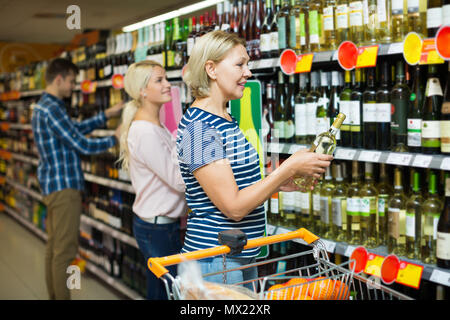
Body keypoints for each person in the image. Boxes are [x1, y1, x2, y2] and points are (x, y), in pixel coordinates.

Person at [177, 31, 333, 287]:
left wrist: (280, 181)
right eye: (240, 64)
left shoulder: (224, 118)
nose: (248, 73)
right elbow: (233, 207)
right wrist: (288, 167)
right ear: (211, 69)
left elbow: (234, 180)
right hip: (216, 259)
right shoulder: (200, 129)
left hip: (237, 255)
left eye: (247, 64)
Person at [31, 58, 124, 300]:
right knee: (65, 252)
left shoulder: (46, 106)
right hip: (64, 189)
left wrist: (105, 115)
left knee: (54, 249)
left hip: (53, 184)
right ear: (59, 79)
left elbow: (73, 130)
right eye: (72, 81)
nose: (73, 86)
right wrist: (114, 138)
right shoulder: (52, 108)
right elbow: (80, 143)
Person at [118, 60, 187, 300]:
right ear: (142, 91)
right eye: (159, 80)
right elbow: (177, 180)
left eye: (166, 78)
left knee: (163, 290)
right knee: (165, 294)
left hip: (160, 225)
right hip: (157, 228)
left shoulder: (153, 125)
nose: (168, 84)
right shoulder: (145, 132)